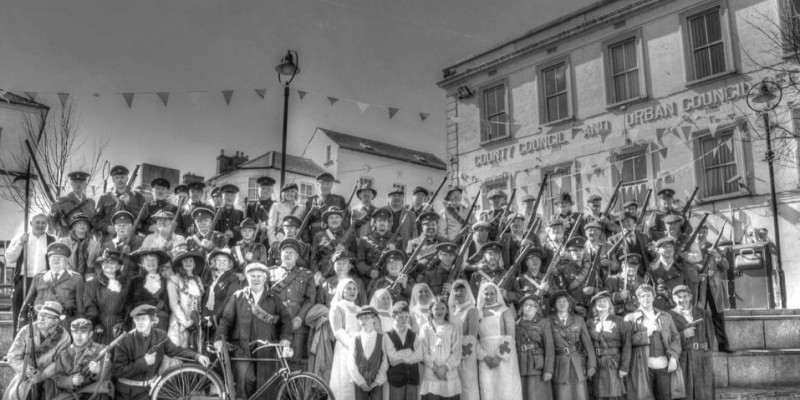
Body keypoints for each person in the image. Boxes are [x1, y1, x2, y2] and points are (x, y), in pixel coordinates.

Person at [214, 262, 293, 400]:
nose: (256, 279)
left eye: (259, 276)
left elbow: (286, 321)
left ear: (265, 279)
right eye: (252, 276)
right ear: (247, 278)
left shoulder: (274, 298)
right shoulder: (238, 296)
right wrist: (219, 339)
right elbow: (226, 320)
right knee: (245, 381)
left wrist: (285, 339)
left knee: (265, 385)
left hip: (266, 348)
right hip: (242, 348)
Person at [113, 304, 210, 400]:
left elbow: (176, 351)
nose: (140, 322)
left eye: (143, 319)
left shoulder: (160, 336)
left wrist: (197, 356)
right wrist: (143, 362)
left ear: (152, 321)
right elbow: (117, 371)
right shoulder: (124, 341)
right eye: (137, 319)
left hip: (150, 390)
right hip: (128, 393)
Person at [4, 301, 72, 400]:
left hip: (51, 378)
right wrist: (25, 369)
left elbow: (59, 363)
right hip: (27, 377)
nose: (41, 318)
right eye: (40, 314)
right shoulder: (27, 330)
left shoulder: (64, 337)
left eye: (47, 316)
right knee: (16, 396)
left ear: (56, 321)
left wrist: (41, 376)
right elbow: (12, 356)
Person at [623, 284, 682, 400]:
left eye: (648, 296)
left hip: (664, 365)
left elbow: (676, 338)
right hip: (642, 366)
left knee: (665, 396)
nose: (646, 299)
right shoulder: (630, 318)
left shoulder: (665, 316)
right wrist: (647, 334)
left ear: (654, 297)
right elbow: (626, 342)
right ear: (638, 299)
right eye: (642, 296)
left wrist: (674, 357)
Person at [270, 238, 316, 368]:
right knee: (275, 362)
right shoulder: (270, 273)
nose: (288, 254)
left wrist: (300, 317)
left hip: (296, 323)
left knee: (295, 361)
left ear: (297, 256)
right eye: (285, 252)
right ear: (280, 255)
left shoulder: (306, 274)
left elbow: (310, 299)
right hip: (275, 323)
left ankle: (294, 389)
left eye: (292, 252)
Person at [6, 213, 56, 334]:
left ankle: (36, 348)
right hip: (24, 280)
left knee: (40, 316)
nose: (40, 225)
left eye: (43, 223)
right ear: (31, 223)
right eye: (37, 222)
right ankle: (18, 348)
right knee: (19, 316)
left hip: (43, 281)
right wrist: (20, 243)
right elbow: (9, 258)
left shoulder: (52, 240)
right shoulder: (21, 237)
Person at [21, 242, 85, 329]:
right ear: (48, 261)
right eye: (53, 258)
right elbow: (25, 306)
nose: (56, 260)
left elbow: (80, 308)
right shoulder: (38, 278)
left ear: (67, 261)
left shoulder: (76, 279)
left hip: (64, 324)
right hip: (41, 324)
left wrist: (80, 327)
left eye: (60, 258)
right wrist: (22, 326)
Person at [476, 282, 522, 400]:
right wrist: (484, 357)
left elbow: (510, 336)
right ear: (481, 295)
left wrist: (499, 356)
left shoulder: (505, 311)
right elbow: (474, 339)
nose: (489, 296)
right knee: (489, 391)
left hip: (504, 357)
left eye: (492, 293)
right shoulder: (477, 313)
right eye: (486, 294)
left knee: (507, 390)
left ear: (497, 294)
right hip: (485, 359)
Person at [669, 285, 715, 400]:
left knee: (704, 392)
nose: (682, 300)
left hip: (702, 357)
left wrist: (708, 353)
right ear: (674, 299)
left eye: (685, 296)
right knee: (685, 393)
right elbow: (668, 339)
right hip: (683, 358)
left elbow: (710, 336)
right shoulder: (669, 316)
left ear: (690, 297)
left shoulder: (704, 314)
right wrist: (683, 334)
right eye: (678, 297)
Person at [48, 318, 112, 400]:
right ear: (71, 333)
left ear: (90, 334)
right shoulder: (64, 353)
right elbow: (58, 379)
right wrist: (71, 381)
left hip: (95, 394)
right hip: (72, 394)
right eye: (75, 332)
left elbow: (110, 375)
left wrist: (98, 372)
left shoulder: (100, 350)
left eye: (83, 332)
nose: (78, 336)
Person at [549, 291, 596, 400]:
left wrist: (592, 365)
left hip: (578, 364)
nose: (562, 303)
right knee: (562, 395)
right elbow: (548, 347)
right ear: (554, 305)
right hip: (559, 365)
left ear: (569, 304)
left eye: (564, 301)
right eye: (559, 301)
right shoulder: (549, 321)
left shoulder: (579, 320)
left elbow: (588, 345)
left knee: (580, 394)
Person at [586, 291, 631, 400]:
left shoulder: (619, 321)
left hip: (614, 364)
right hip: (597, 364)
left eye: (605, 301)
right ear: (595, 306)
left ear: (609, 304)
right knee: (598, 394)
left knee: (614, 394)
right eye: (599, 302)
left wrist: (624, 368)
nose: (602, 303)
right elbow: (587, 346)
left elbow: (627, 346)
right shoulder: (589, 323)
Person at [419, 296, 462, 400]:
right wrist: (436, 369)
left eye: (442, 308)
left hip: (449, 373)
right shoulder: (425, 328)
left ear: (447, 310)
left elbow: (457, 352)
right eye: (436, 308)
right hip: (431, 373)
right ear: (431, 310)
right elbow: (423, 351)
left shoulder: (452, 328)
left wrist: (445, 368)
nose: (439, 311)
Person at [329, 278, 363, 400]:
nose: (352, 291)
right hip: (345, 348)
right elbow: (338, 331)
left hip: (361, 348)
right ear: (341, 291)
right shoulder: (337, 307)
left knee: (358, 383)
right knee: (344, 381)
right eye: (348, 289)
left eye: (354, 289)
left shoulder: (360, 309)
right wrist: (353, 345)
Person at [515, 294, 554, 400]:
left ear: (537, 308)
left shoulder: (544, 323)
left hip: (537, 367)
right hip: (521, 366)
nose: (528, 307)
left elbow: (549, 348)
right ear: (521, 308)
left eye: (532, 305)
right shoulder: (516, 324)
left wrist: (548, 370)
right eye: (525, 305)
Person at [93, 165, 146, 241]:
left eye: (122, 177)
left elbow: (144, 217)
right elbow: (95, 219)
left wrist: (128, 204)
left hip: (132, 238)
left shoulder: (138, 196)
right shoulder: (104, 197)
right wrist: (106, 227)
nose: (120, 180)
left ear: (127, 178)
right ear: (113, 180)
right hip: (109, 238)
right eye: (117, 177)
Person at [84, 250, 126, 345]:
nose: (109, 265)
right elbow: (90, 305)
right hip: (101, 325)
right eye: (106, 262)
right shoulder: (92, 283)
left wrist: (122, 322)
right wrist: (96, 324)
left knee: (120, 354)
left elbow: (129, 304)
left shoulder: (126, 283)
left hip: (121, 326)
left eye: (113, 263)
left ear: (119, 266)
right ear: (102, 265)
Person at [446, 280, 479, 400]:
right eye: (456, 290)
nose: (458, 293)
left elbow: (472, 338)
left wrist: (459, 355)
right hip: (451, 356)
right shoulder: (450, 311)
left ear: (467, 292)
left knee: (467, 387)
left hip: (466, 356)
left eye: (462, 290)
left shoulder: (472, 310)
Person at [347, 306, 389, 400]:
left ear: (374, 319)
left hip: (376, 383)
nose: (363, 321)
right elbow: (351, 362)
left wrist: (378, 381)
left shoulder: (382, 338)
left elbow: (385, 361)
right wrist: (361, 382)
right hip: (360, 383)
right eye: (361, 318)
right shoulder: (355, 338)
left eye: (367, 318)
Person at [124, 247, 171, 331]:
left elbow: (168, 304)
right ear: (142, 263)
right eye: (147, 260)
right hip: (139, 321)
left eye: (153, 260)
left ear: (158, 262)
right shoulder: (135, 281)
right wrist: (124, 322)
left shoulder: (166, 281)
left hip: (160, 322)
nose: (150, 263)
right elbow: (128, 303)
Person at [167, 250, 205, 350]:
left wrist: (197, 322)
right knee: (177, 353)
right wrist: (186, 323)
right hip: (180, 324)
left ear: (194, 264)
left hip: (195, 324)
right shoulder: (174, 279)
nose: (188, 263)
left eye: (191, 261)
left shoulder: (198, 280)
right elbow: (174, 304)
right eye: (185, 261)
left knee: (194, 355)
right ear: (181, 264)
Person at [384, 301, 423, 400]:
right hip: (396, 381)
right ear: (393, 316)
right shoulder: (388, 335)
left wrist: (401, 358)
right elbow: (392, 359)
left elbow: (419, 355)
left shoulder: (413, 335)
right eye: (401, 317)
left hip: (412, 380)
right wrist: (409, 352)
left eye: (406, 317)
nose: (404, 320)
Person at [356, 207, 403, 285]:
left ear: (388, 223)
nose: (382, 223)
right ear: (374, 223)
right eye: (379, 220)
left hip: (391, 278)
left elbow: (402, 260)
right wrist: (369, 272)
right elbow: (360, 262)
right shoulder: (365, 240)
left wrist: (394, 251)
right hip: (371, 278)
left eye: (384, 221)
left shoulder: (397, 239)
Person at [312, 206, 357, 278]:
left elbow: (356, 256)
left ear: (341, 219)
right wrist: (317, 273)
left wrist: (346, 252)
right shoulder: (318, 236)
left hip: (344, 274)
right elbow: (314, 259)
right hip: (324, 274)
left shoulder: (350, 236)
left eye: (337, 217)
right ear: (327, 220)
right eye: (331, 217)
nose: (334, 220)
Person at [650, 237, 694, 310]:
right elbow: (647, 292)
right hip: (659, 309)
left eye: (671, 246)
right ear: (657, 250)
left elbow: (690, 292)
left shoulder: (682, 269)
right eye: (665, 247)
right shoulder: (652, 270)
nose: (669, 249)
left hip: (680, 308)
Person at [204, 248, 243, 328]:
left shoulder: (233, 278)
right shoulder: (212, 280)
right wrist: (205, 317)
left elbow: (229, 299)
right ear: (214, 262)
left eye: (225, 260)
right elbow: (206, 299)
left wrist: (214, 318)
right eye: (218, 260)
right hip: (210, 320)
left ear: (229, 264)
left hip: (224, 320)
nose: (221, 262)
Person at [49, 171, 96, 238]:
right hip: (67, 238)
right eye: (75, 182)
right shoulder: (62, 201)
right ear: (71, 183)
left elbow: (95, 222)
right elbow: (53, 224)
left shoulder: (91, 203)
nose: (78, 185)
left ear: (85, 184)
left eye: (81, 182)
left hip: (86, 240)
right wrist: (52, 212)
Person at [101, 210, 144, 282]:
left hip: (132, 281)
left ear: (131, 227)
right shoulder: (107, 245)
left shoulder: (140, 242)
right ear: (114, 227)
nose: (121, 228)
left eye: (125, 225)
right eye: (119, 225)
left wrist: (129, 255)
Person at [304, 172, 348, 241]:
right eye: (322, 184)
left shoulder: (339, 199)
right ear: (318, 185)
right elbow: (305, 223)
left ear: (331, 185)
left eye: (328, 184)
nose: (325, 186)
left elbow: (345, 220)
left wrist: (343, 236)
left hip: (335, 235)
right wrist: (307, 240)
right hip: (315, 235)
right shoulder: (310, 201)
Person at [58, 213, 102, 278]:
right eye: (79, 224)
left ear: (87, 228)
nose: (82, 226)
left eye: (84, 224)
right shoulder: (63, 242)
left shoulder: (95, 244)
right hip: (68, 277)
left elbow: (97, 263)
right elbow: (59, 261)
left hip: (88, 279)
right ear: (74, 227)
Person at [515, 247, 555, 314]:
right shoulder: (520, 279)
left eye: (537, 259)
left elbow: (558, 296)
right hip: (528, 314)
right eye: (532, 259)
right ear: (527, 263)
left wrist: (548, 289)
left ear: (541, 263)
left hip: (546, 314)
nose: (535, 261)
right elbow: (517, 298)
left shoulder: (548, 278)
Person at [245, 176, 276, 244]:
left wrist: (268, 226)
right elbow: (245, 225)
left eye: (268, 189)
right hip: (254, 241)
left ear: (272, 191)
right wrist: (256, 226)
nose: (265, 191)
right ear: (258, 190)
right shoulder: (250, 206)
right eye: (263, 188)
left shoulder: (276, 206)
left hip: (271, 242)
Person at [386, 187, 417, 251]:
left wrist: (411, 248)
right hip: (384, 248)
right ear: (388, 198)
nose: (397, 198)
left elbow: (414, 234)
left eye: (400, 196)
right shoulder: (382, 211)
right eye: (394, 195)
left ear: (403, 198)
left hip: (403, 250)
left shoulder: (410, 215)